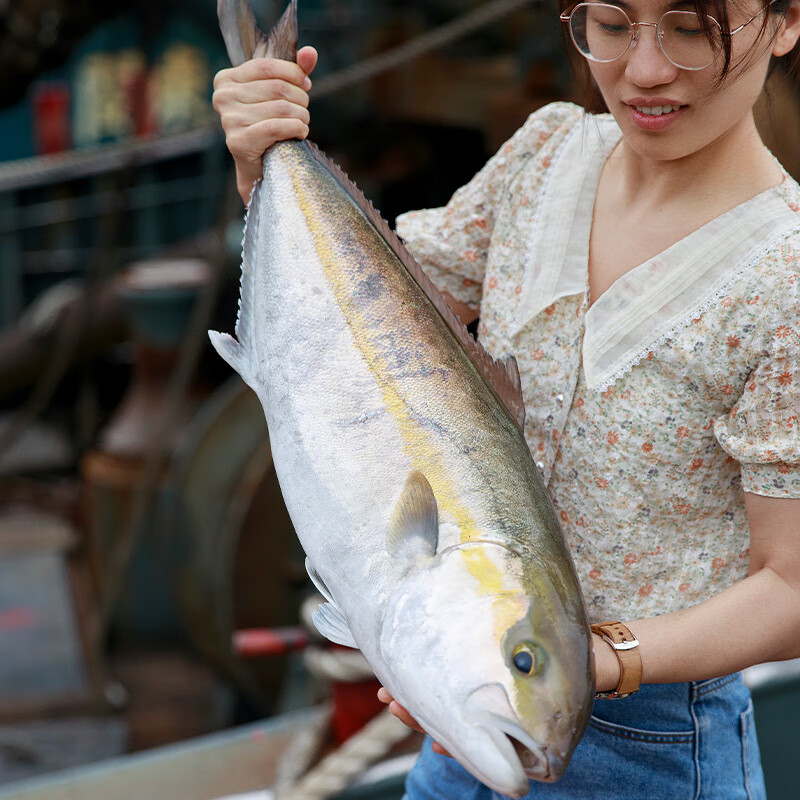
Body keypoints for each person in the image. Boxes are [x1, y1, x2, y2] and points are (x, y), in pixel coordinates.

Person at [213, 0, 800, 796]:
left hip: (654, 750)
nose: (646, 69)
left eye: (693, 30)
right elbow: (358, 316)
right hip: (477, 715)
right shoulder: (549, 152)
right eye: (613, 25)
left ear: (788, 20)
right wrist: (266, 167)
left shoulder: (784, 280)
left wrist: (597, 661)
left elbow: (791, 587)